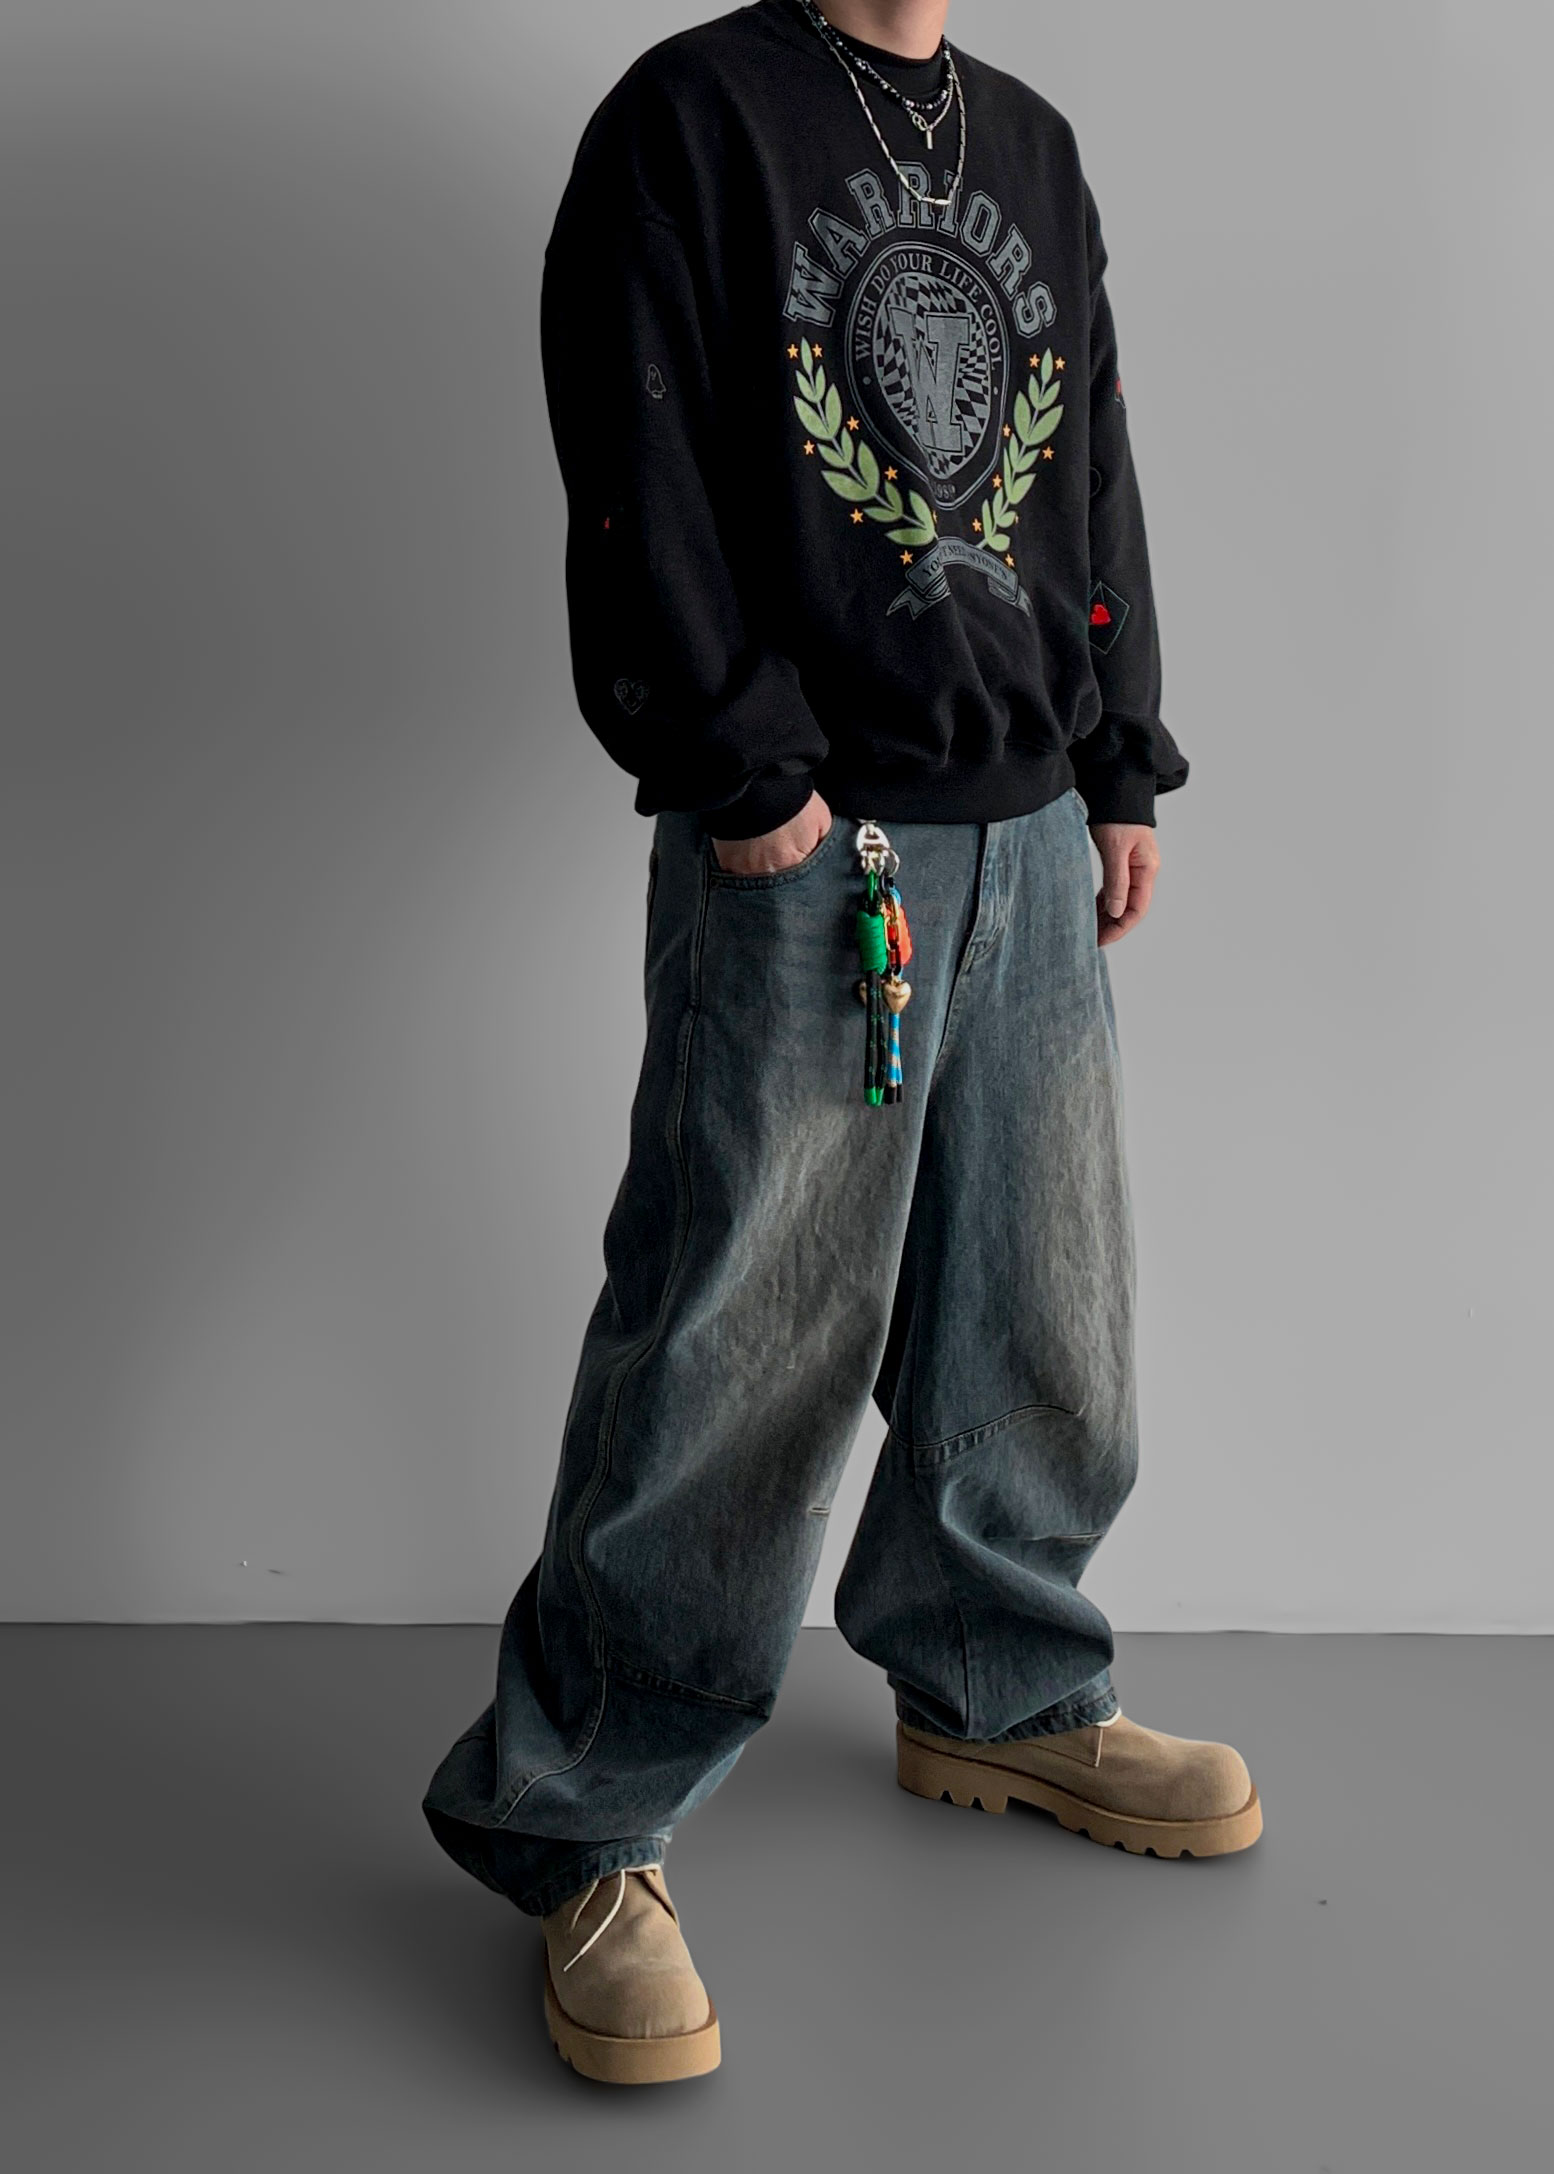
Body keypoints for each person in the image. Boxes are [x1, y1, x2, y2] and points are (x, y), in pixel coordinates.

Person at [422, 0, 1262, 2087]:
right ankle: (587, 1810)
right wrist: (737, 765)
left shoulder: (1033, 141)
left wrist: (1121, 758)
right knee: (740, 1327)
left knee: (1038, 1301)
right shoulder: (695, 116)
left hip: (1031, 825)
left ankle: (999, 1685)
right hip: (812, 841)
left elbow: (1089, 464)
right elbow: (633, 453)